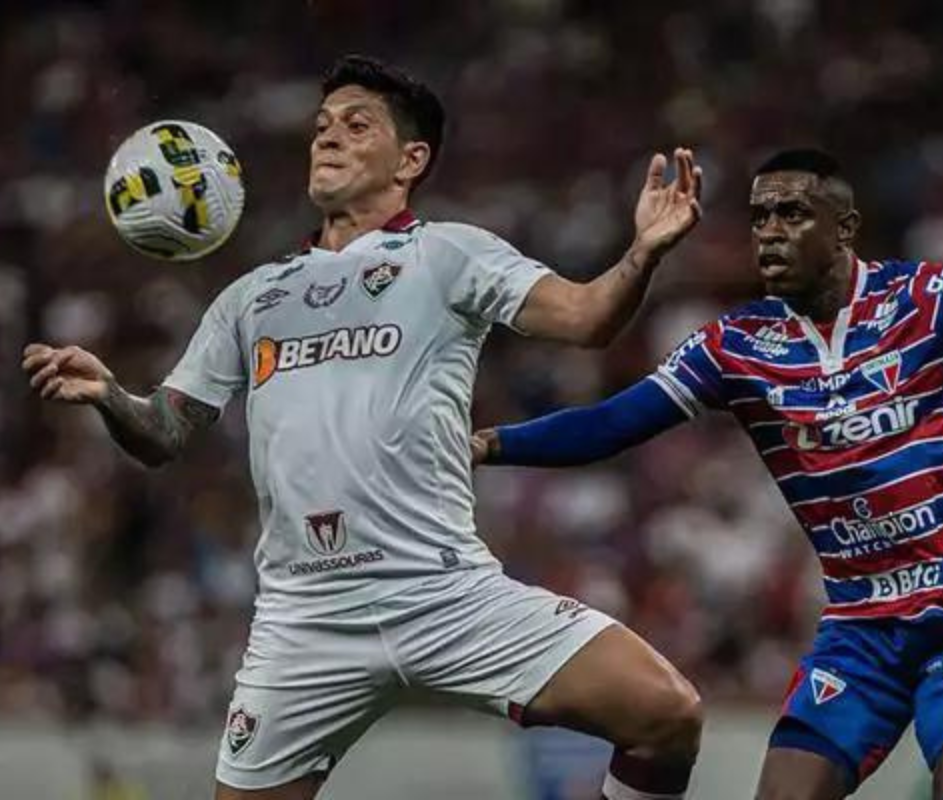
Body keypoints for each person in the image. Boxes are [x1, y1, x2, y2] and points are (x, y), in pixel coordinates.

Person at [22, 55, 707, 800]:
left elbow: (587, 319)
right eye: (322, 127)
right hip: (304, 621)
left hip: (442, 592)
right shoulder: (252, 297)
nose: (328, 138)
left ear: (410, 159)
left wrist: (642, 252)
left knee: (666, 714)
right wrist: (109, 395)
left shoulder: (448, 253)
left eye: (357, 125)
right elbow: (163, 433)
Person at [472, 148, 943, 800]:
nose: (769, 232)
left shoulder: (933, 296)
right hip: (860, 633)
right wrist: (487, 443)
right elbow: (609, 425)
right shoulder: (736, 346)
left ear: (845, 227)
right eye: (759, 218)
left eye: (792, 213)